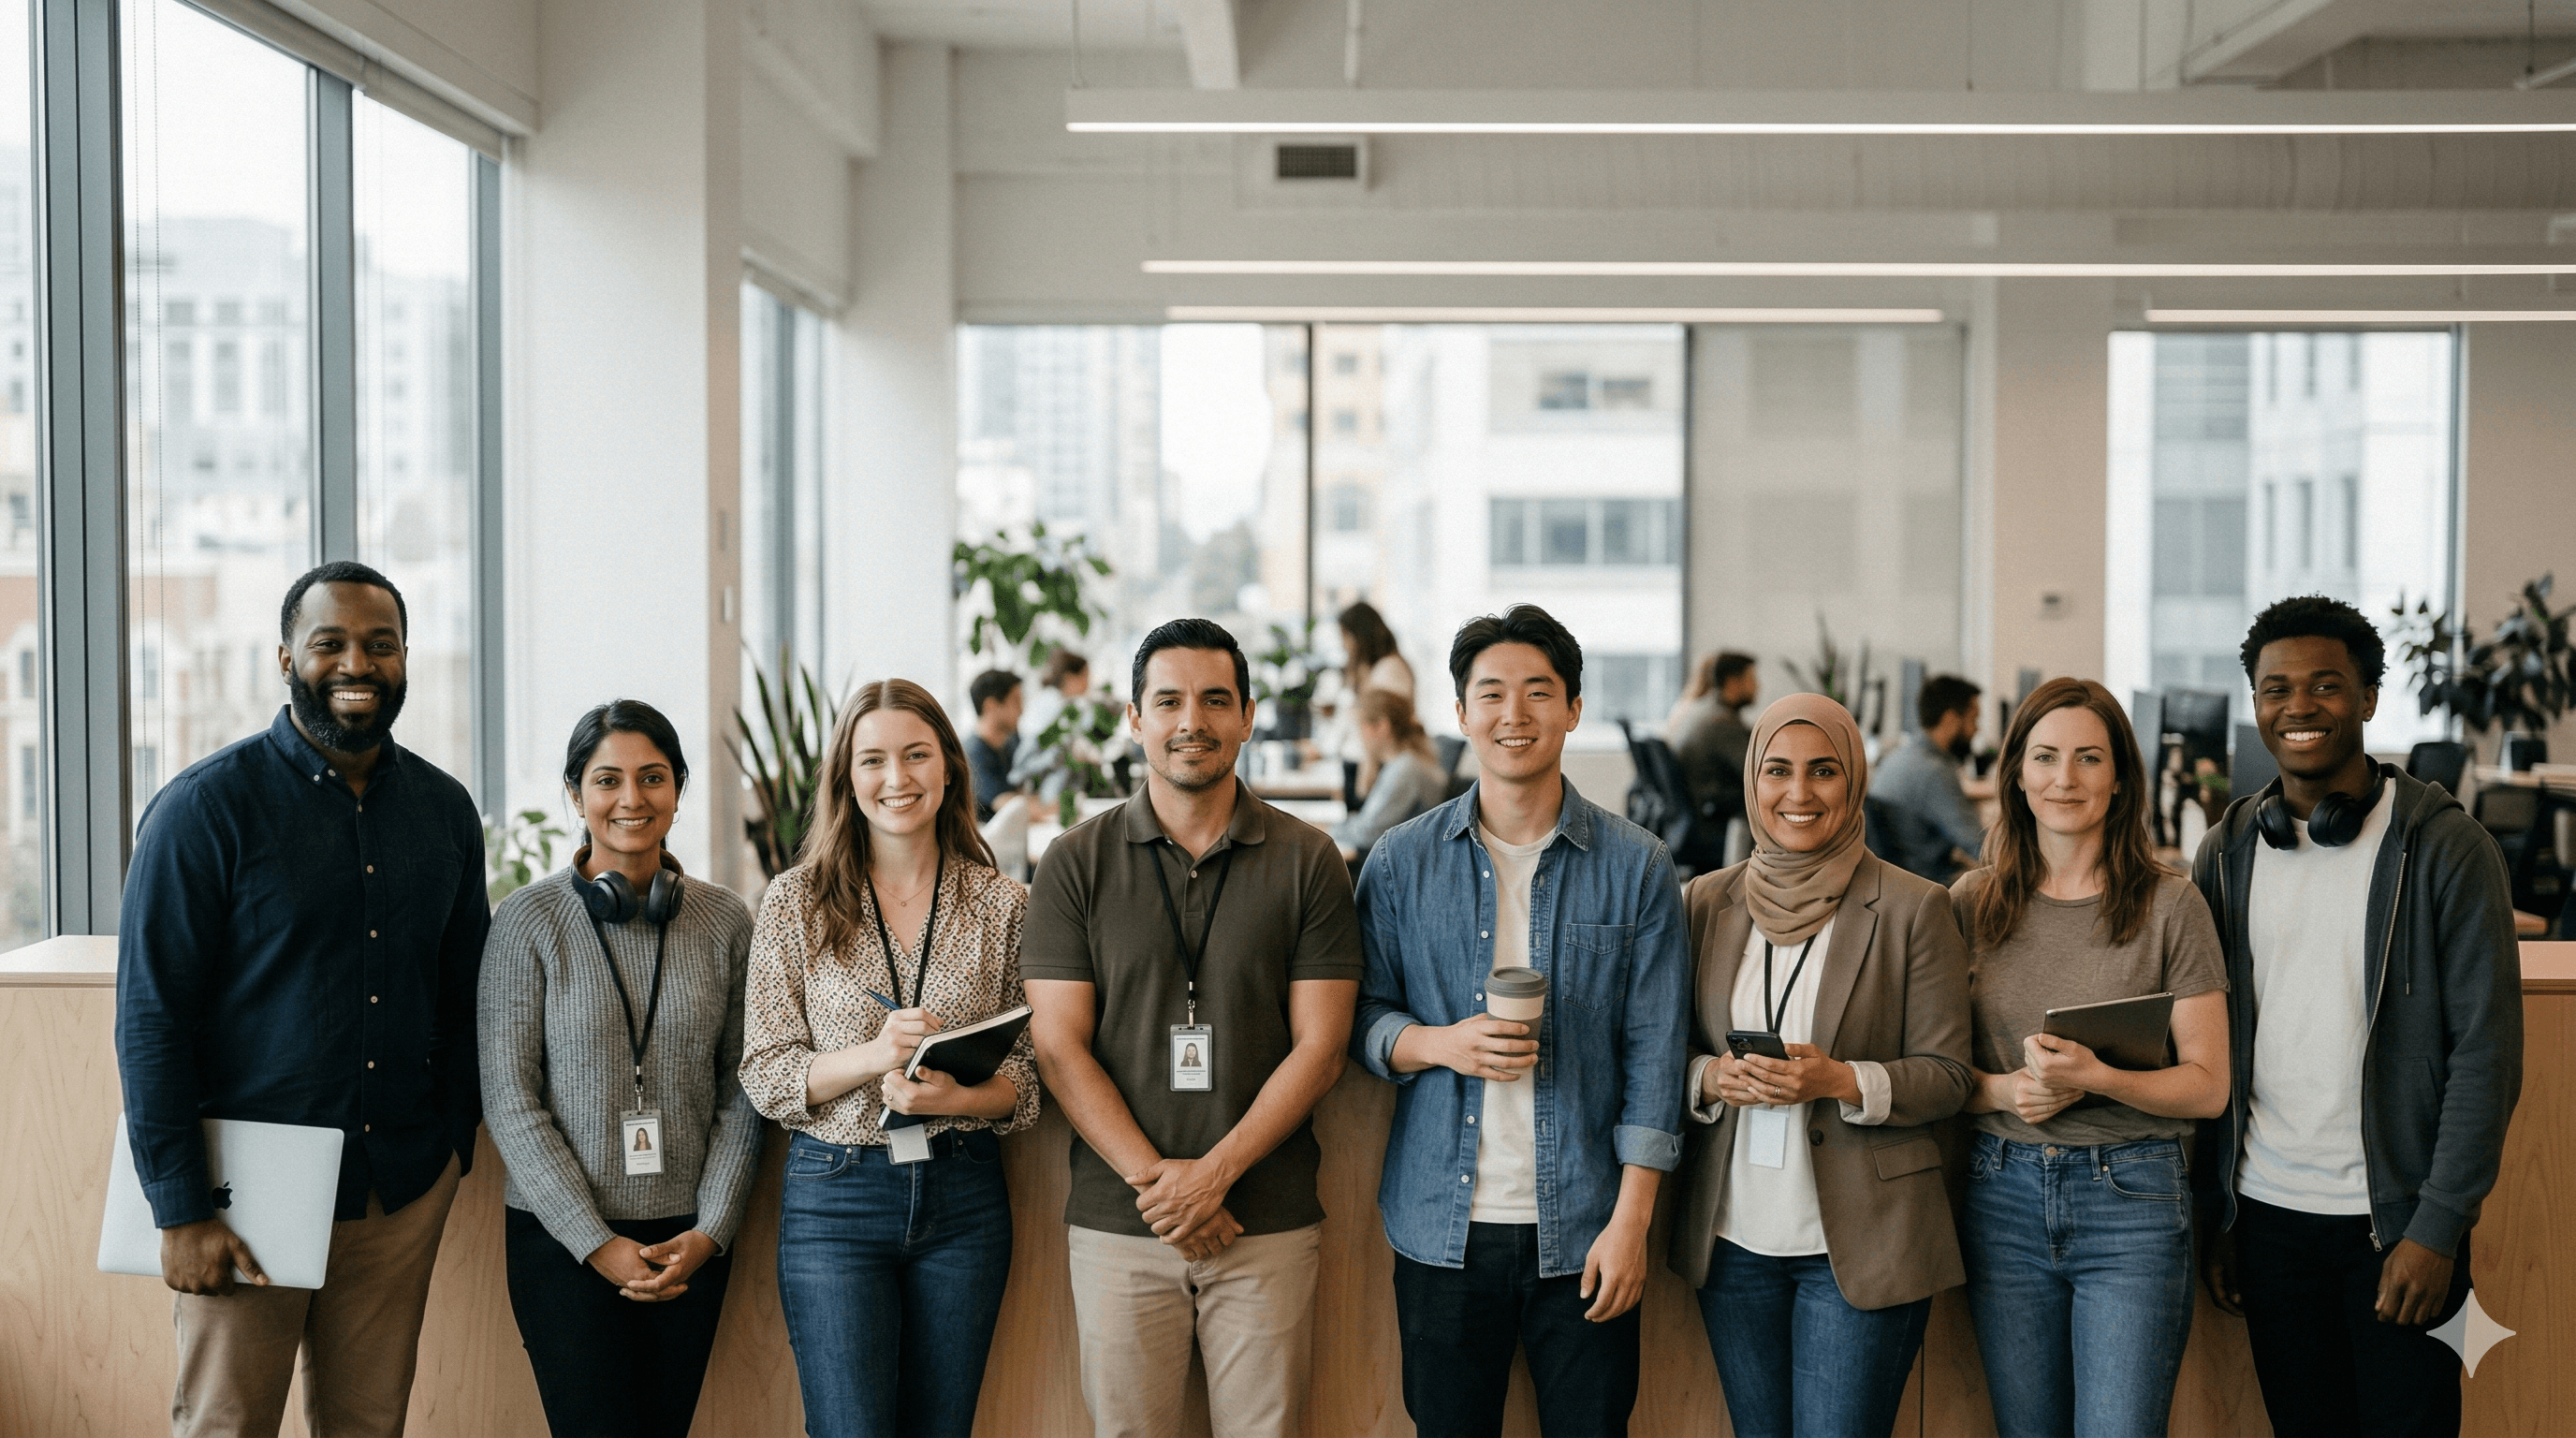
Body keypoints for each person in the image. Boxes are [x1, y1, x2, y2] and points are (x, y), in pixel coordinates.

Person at [116, 560, 487, 1438]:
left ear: (404, 660)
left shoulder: (444, 812)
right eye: (330, 643)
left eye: (380, 644)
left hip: (394, 1191)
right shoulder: (203, 811)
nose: (356, 663)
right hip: (242, 1202)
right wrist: (180, 1208)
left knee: (368, 1426)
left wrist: (449, 1148)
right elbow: (151, 1021)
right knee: (226, 1426)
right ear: (286, 659)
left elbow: (465, 992)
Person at [1352, 604, 1690, 1437]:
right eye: (1492, 693)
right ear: (1460, 712)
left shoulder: (1637, 864)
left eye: (1539, 692)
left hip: (1587, 1230)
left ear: (1574, 708)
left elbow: (1655, 1054)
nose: (1515, 714)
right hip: (1440, 1228)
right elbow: (1359, 1015)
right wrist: (1438, 1043)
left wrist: (1631, 1226)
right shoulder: (1401, 860)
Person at [1023, 617, 1362, 1438]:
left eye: (1215, 701)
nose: (1191, 722)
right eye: (1167, 701)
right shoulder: (1074, 862)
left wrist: (1215, 1175)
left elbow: (1321, 1048)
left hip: (1268, 1214)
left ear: (1248, 716)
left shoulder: (1309, 859)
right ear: (1134, 719)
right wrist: (1167, 1188)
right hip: (1120, 1218)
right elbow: (1058, 1048)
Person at [2193, 596, 2522, 1438]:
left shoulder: (2446, 848)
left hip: (2399, 1228)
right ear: (2256, 705)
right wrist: (2220, 1214)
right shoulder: (2228, 850)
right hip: (2267, 1222)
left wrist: (2438, 1230)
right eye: (2275, 689)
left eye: (2325, 685)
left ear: (2370, 698)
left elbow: (2486, 1056)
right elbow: (2211, 1040)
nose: (2298, 706)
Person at [739, 679, 1040, 1438]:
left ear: (949, 767)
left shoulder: (1005, 904)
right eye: (873, 760)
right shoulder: (793, 901)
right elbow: (766, 1072)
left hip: (965, 1195)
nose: (897, 779)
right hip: (835, 1199)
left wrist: (958, 1101)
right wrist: (874, 1057)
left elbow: (1032, 1078)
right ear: (847, 776)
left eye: (915, 755)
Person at [1671, 693, 1973, 1438]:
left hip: (1863, 1245)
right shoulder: (1703, 903)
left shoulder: (1914, 907)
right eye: (1777, 770)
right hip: (1734, 1241)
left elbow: (1949, 1075)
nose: (1798, 793)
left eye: (1824, 771)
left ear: (1856, 780)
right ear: (1752, 780)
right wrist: (1708, 1077)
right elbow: (1657, 1051)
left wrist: (1841, 1079)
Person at [1951, 678, 2231, 1438]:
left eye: (2087, 758)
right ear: (2016, 772)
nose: (2064, 779)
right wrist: (2006, 1091)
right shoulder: (1970, 903)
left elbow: (2208, 1086)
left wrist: (2098, 1079)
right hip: (2000, 1194)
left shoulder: (2174, 906)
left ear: (2119, 777)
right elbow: (1935, 1073)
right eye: (2044, 757)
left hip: (2133, 1199)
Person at [480, 700, 763, 1438]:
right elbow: (511, 1100)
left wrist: (713, 1231)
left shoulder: (728, 921)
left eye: (653, 777)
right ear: (575, 794)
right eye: (607, 780)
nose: (631, 800)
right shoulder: (527, 921)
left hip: (688, 1243)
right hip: (561, 1240)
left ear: (678, 788)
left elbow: (744, 1089)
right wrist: (595, 1243)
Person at [1875, 673, 1987, 884]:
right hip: (1928, 884)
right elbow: (1981, 847)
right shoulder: (1934, 772)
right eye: (1974, 720)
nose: (1977, 729)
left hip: (1899, 878)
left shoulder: (1899, 757)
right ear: (1951, 720)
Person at [1332, 688, 1451, 866]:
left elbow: (1368, 833)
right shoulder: (1407, 761)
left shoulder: (1404, 770)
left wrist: (1322, 830)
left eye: (1360, 728)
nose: (1358, 737)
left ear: (1382, 726)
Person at [1328, 599, 1418, 800]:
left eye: (1345, 636)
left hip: (1375, 769)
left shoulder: (1389, 670)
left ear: (1359, 636)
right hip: (1363, 764)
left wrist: (1367, 775)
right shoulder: (1376, 669)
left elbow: (1382, 728)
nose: (1344, 644)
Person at [1667, 651, 1758, 837]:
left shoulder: (1702, 710)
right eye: (1752, 679)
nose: (1757, 686)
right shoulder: (1721, 723)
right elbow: (1755, 771)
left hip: (1693, 814)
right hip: (1714, 819)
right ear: (1733, 682)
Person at [964, 668, 1023, 823]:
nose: (1022, 711)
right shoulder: (973, 753)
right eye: (1016, 702)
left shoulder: (1011, 744)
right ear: (990, 706)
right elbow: (1008, 805)